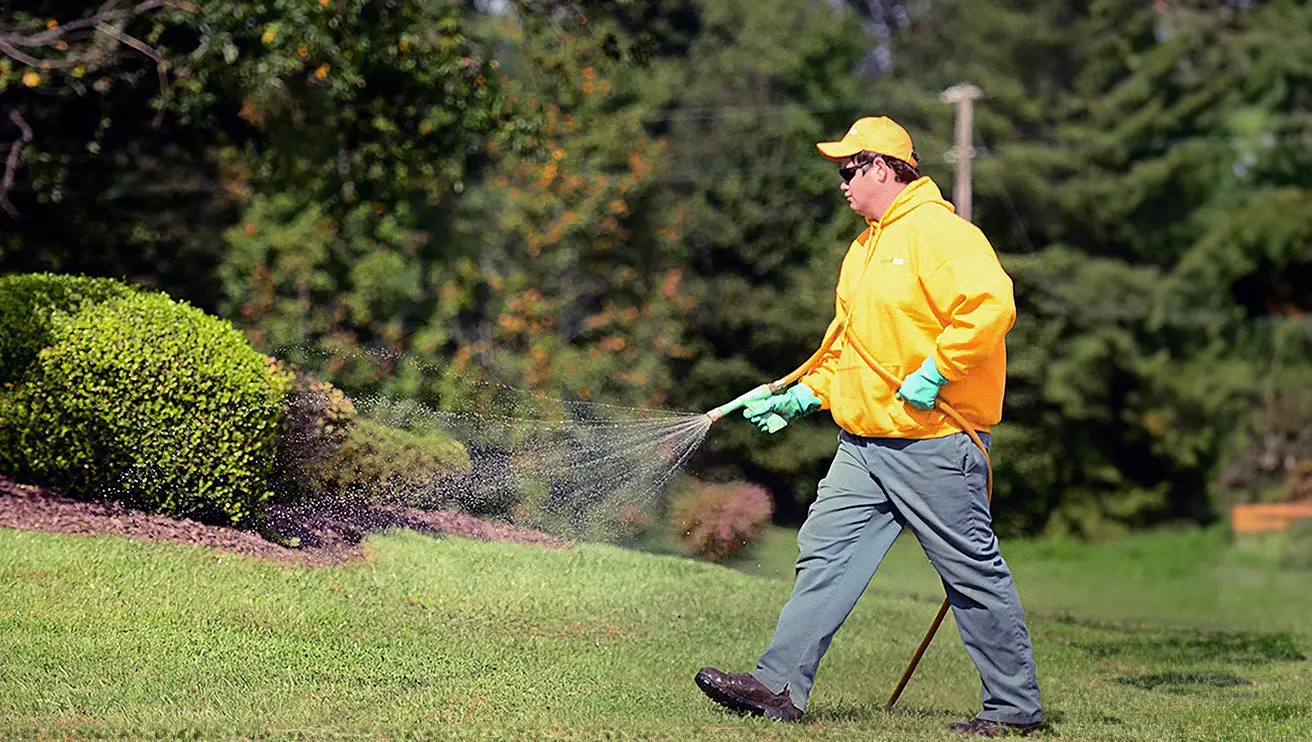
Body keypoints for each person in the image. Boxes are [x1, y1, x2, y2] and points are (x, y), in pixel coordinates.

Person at [693, 116, 1044, 738]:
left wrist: (938, 370)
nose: (842, 183)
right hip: (863, 446)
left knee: (970, 574)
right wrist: (802, 397)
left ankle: (1014, 709)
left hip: (935, 442)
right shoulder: (864, 248)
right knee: (823, 556)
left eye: (848, 170)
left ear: (883, 167)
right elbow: (852, 351)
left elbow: (992, 304)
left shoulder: (941, 233)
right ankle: (779, 688)